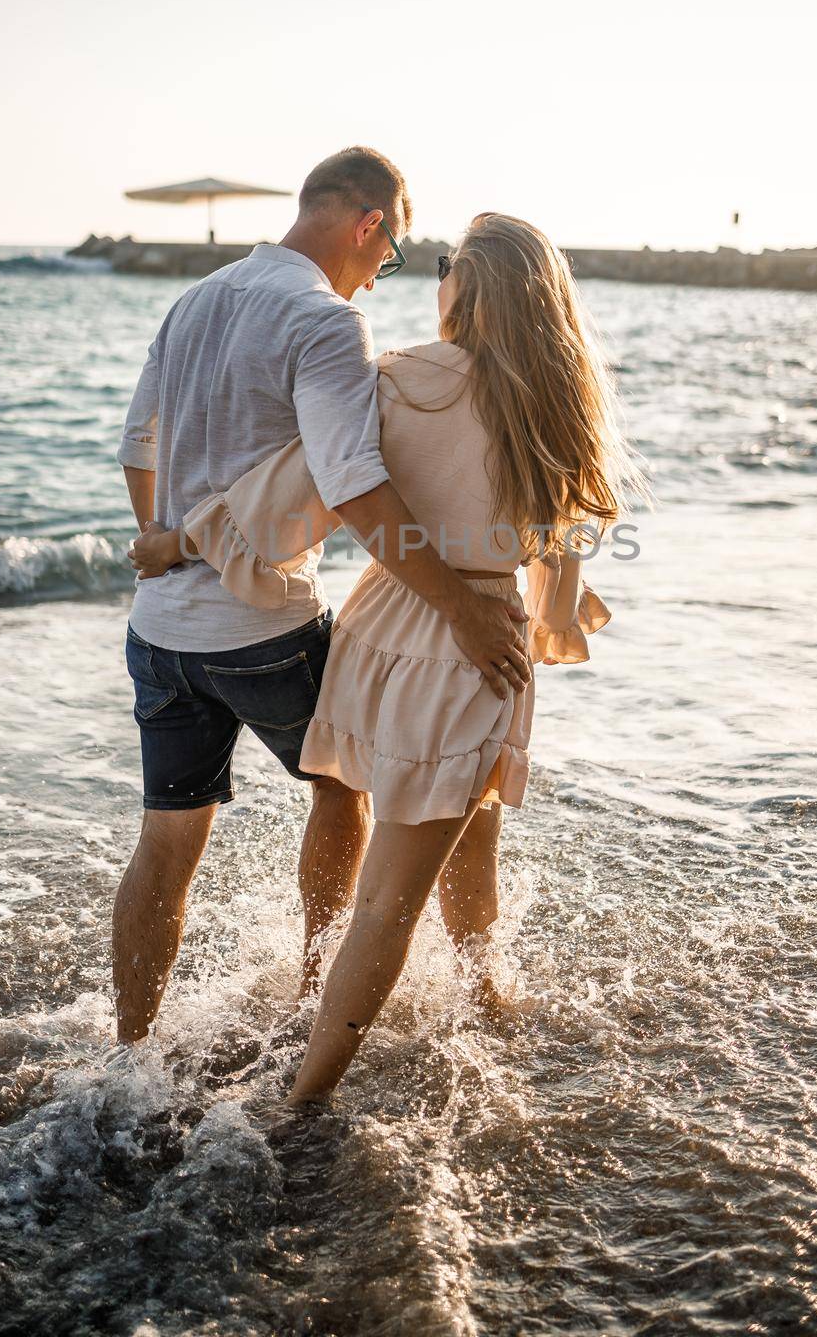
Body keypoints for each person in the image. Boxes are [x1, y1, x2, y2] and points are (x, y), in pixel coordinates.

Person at [131, 213, 641, 1102]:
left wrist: (180, 542)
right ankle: (304, 1097)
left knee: (467, 821)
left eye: (444, 266)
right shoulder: (562, 406)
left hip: (372, 637)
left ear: (465, 289)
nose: (434, 280)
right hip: (472, 648)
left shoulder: (398, 377)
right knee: (392, 897)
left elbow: (303, 491)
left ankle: (479, 992)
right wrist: (548, 625)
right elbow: (555, 562)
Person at [112, 150, 531, 1045]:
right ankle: (313, 999)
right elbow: (353, 486)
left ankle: (131, 1050)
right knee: (343, 793)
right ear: (368, 224)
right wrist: (460, 604)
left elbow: (138, 442)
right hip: (263, 629)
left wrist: (165, 544)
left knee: (166, 842)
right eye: (388, 261)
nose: (380, 283)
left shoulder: (197, 298)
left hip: (158, 633)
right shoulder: (324, 321)